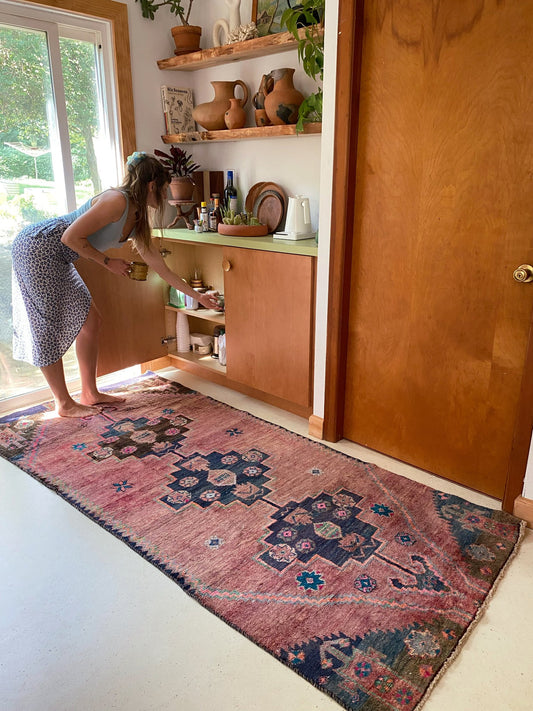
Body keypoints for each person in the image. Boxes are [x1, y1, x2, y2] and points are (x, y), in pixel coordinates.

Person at [11, 151, 220, 418]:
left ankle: (89, 393)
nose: (166, 197)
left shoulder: (137, 218)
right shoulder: (116, 201)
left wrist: (197, 297)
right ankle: (63, 403)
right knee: (47, 325)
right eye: (164, 188)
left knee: (91, 322)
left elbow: (161, 268)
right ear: (151, 185)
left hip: (60, 255)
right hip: (37, 248)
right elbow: (70, 236)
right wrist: (108, 262)